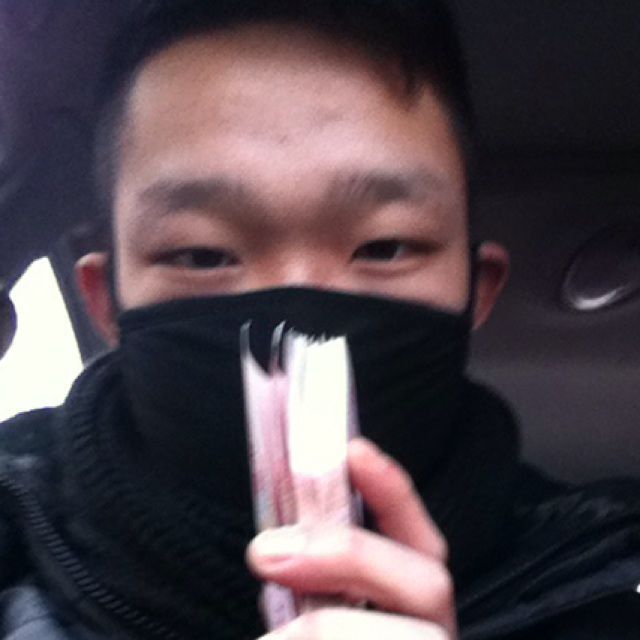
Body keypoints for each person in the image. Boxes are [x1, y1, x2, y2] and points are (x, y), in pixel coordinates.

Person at [0, 1, 638, 638]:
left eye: (385, 246)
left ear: (477, 289)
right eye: (201, 254)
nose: (297, 316)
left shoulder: (602, 592)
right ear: (105, 303)